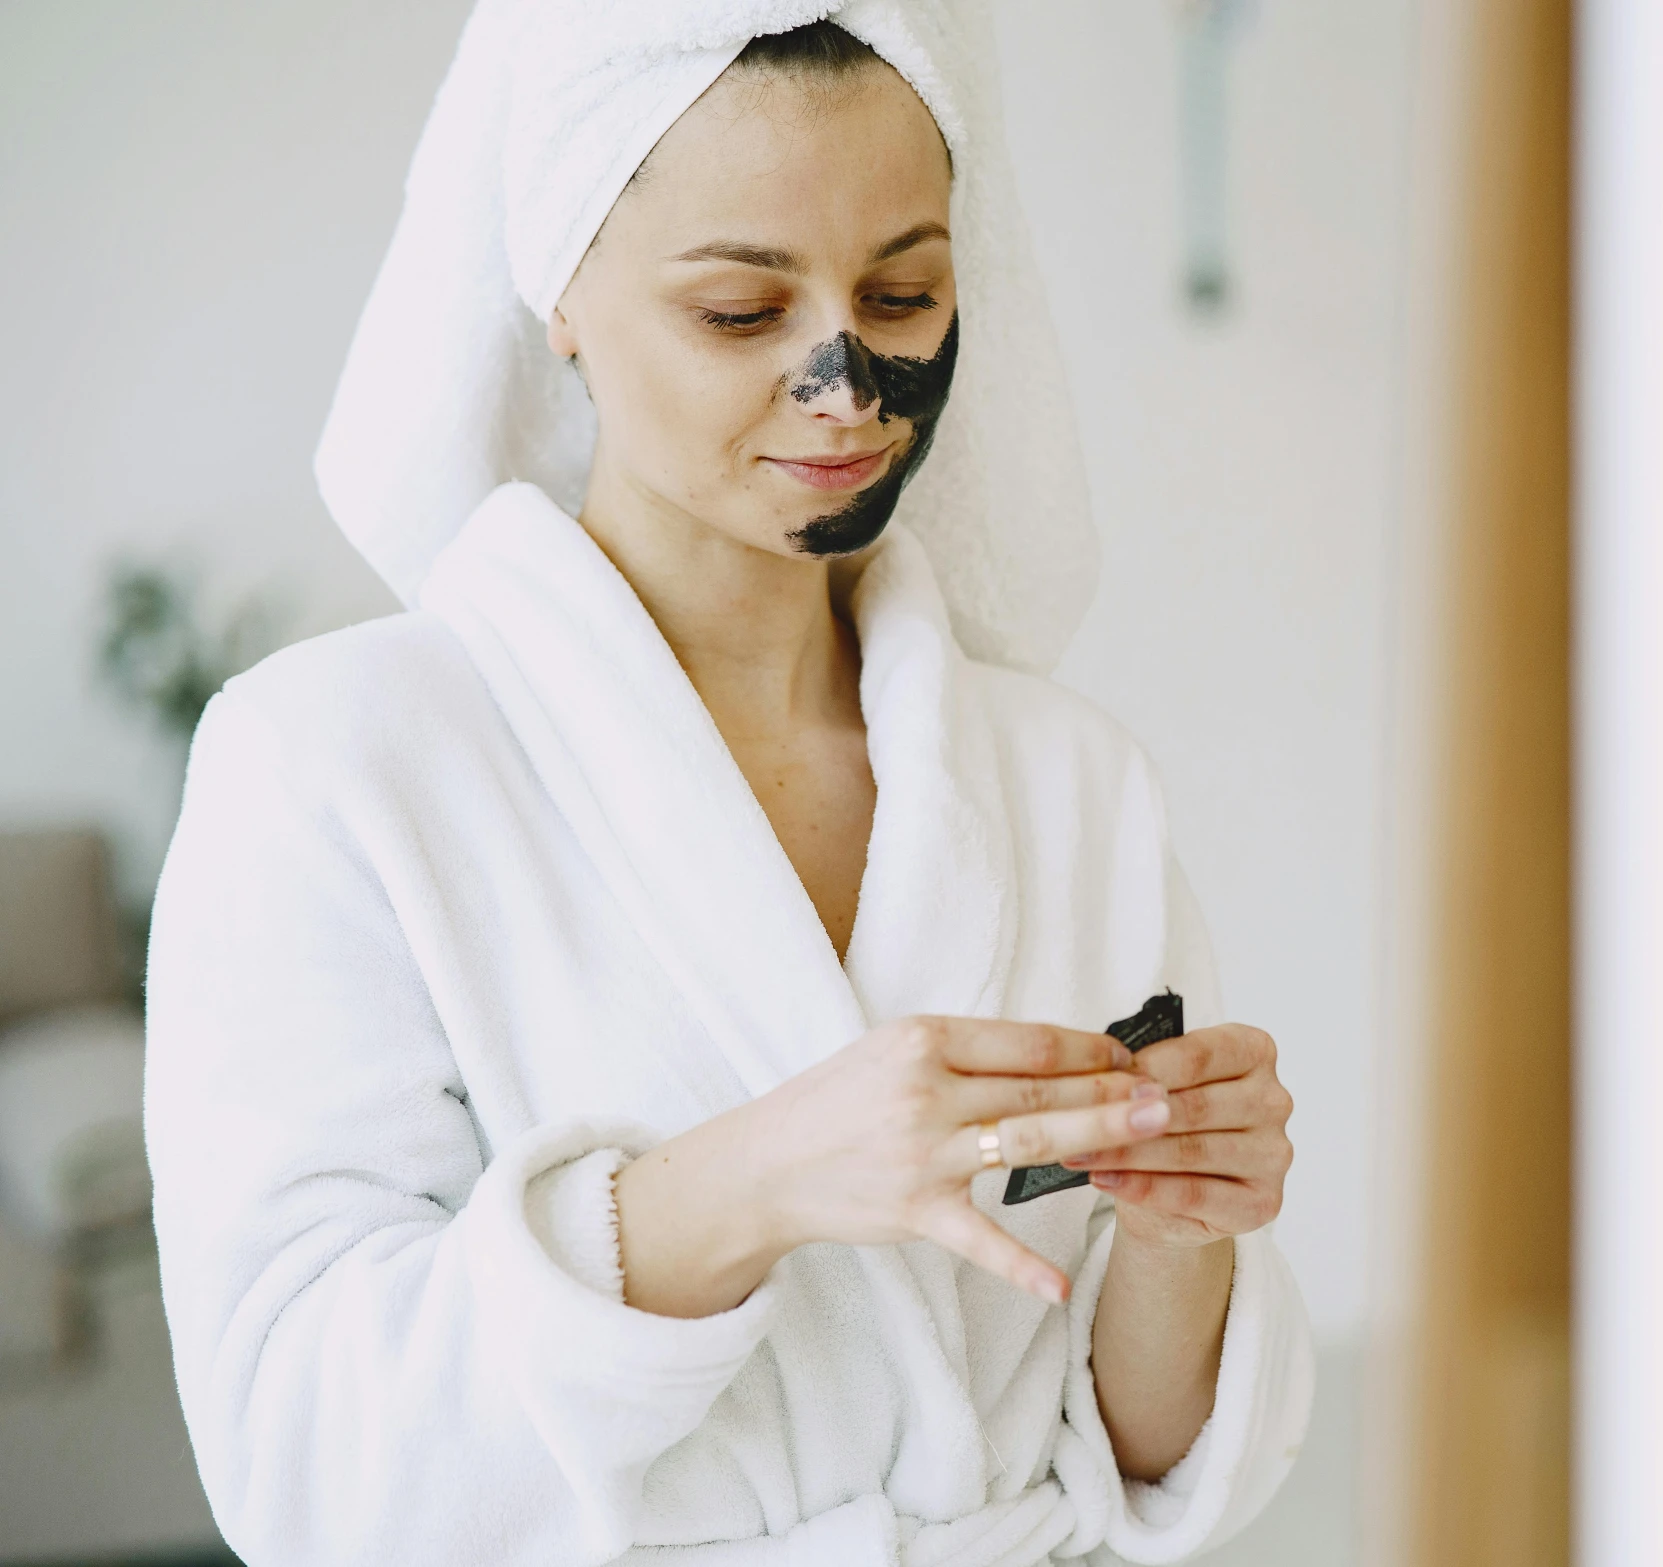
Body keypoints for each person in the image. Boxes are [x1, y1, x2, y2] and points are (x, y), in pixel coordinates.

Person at [141, 6, 1312, 1565]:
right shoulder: (333, 766)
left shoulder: (1066, 780)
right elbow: (305, 1464)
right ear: (560, 292)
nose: (844, 386)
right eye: (740, 309)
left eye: (902, 292)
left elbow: (1138, 1455)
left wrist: (1182, 1239)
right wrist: (744, 1183)